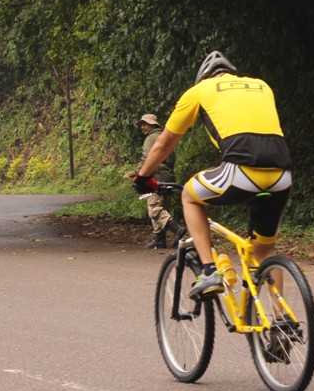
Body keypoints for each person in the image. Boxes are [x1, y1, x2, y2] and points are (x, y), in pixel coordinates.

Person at [132, 51, 292, 299]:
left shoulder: (200, 91)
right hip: (282, 175)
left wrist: (142, 178)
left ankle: (209, 272)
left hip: (240, 170)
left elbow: (164, 143)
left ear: (203, 77)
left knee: (189, 195)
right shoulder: (261, 86)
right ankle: (282, 317)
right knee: (265, 250)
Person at [123, 113, 183, 249]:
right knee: (162, 207)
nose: (142, 127)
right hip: (167, 176)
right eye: (141, 124)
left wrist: (135, 173)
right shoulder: (165, 136)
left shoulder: (151, 138)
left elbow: (146, 159)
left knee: (154, 209)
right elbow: (171, 159)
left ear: (152, 125)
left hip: (155, 177)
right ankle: (159, 239)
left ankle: (177, 229)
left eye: (145, 124)